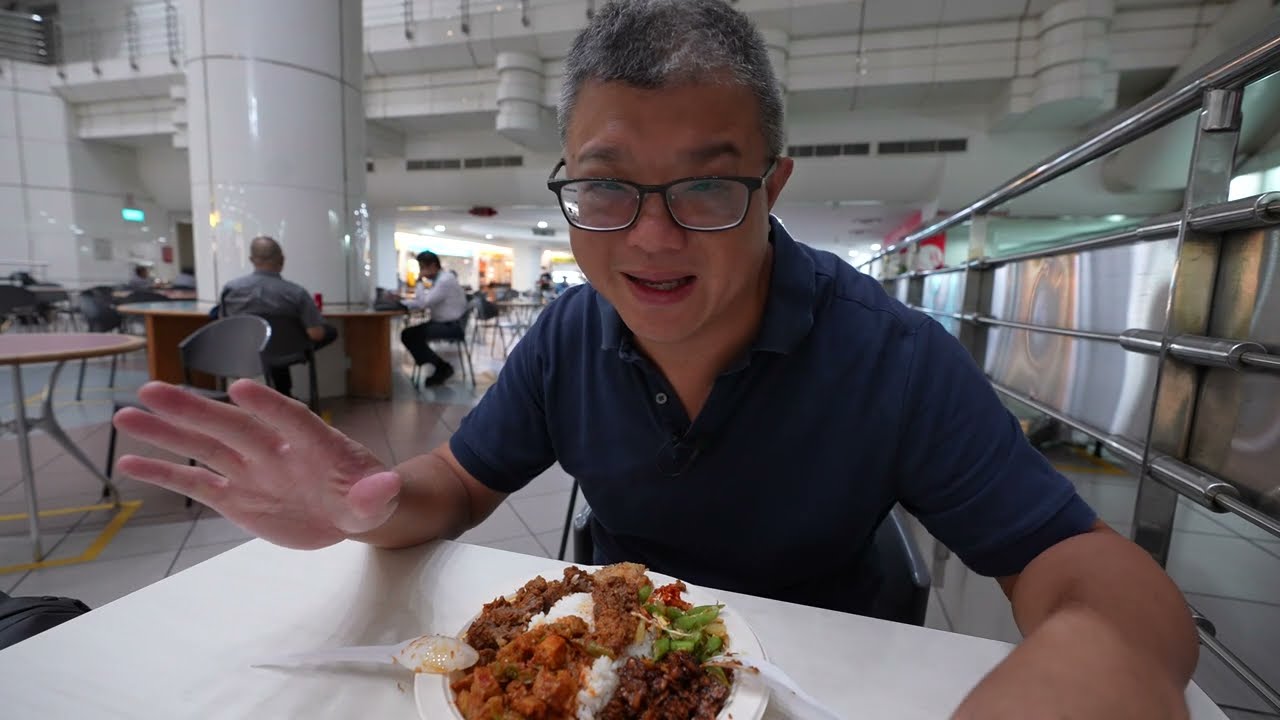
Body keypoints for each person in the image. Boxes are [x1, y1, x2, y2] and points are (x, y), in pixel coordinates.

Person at [112, 2, 1196, 717]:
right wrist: (366, 501)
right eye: (605, 186)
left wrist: (1087, 658)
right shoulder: (570, 336)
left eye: (707, 187)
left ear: (770, 190)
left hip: (828, 668)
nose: (650, 237)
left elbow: (1098, 589)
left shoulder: (888, 355)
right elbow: (452, 489)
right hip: (609, 671)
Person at [218, 236, 338, 399]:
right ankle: (284, 393)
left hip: (245, 351)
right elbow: (315, 334)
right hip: (287, 352)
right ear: (281, 260)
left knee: (270, 346)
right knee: (316, 336)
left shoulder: (230, 289)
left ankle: (261, 394)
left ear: (251, 260)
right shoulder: (296, 293)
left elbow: (223, 325)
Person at [397, 250, 467, 386]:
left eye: (423, 267)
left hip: (452, 326)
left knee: (409, 334)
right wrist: (403, 303)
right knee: (409, 334)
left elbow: (424, 303)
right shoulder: (441, 279)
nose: (421, 271)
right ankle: (440, 367)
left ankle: (441, 367)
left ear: (433, 266)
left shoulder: (445, 280)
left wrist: (419, 281)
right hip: (444, 323)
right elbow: (423, 301)